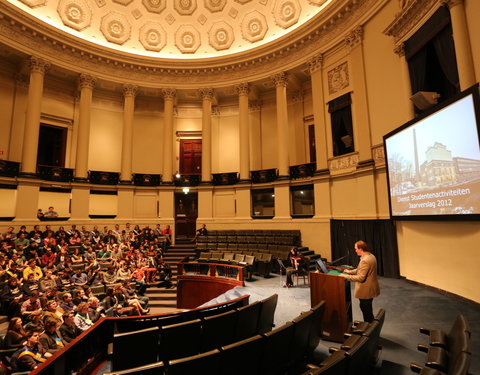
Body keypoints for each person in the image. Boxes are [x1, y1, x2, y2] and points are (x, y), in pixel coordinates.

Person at [340, 240, 380, 323]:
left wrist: (345, 276)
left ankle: (368, 330)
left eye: (356, 249)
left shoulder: (365, 260)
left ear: (360, 249)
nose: (355, 251)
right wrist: (349, 271)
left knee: (366, 311)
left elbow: (360, 277)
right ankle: (369, 327)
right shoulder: (370, 256)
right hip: (370, 288)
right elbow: (359, 270)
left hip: (366, 290)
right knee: (367, 310)